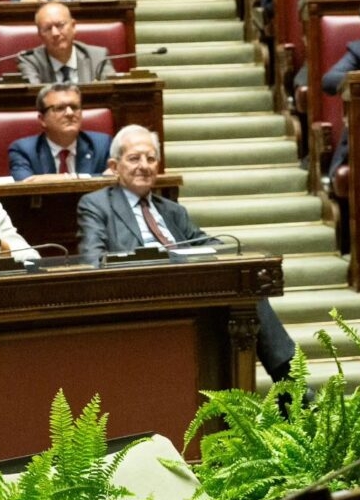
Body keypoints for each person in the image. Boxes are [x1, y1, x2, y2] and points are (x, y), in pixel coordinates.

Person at [77, 124, 297, 382]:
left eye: (150, 158)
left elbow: (202, 242)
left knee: (249, 290)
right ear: (114, 167)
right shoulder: (96, 204)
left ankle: (289, 384)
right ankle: (291, 386)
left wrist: (232, 252)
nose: (144, 165)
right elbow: (93, 261)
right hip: (140, 290)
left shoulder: (171, 211)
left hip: (189, 286)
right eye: (134, 158)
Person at [9, 82, 112, 181]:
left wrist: (48, 179)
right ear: (42, 119)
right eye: (60, 108)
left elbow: (113, 177)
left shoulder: (103, 145)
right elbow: (26, 182)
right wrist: (85, 178)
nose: (70, 113)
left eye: (75, 107)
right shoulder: (24, 150)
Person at [17, 1, 116, 84]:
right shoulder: (30, 61)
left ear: (73, 26)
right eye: (47, 28)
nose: (55, 33)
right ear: (39, 34)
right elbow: (35, 98)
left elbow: (113, 96)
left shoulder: (98, 58)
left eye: (60, 25)